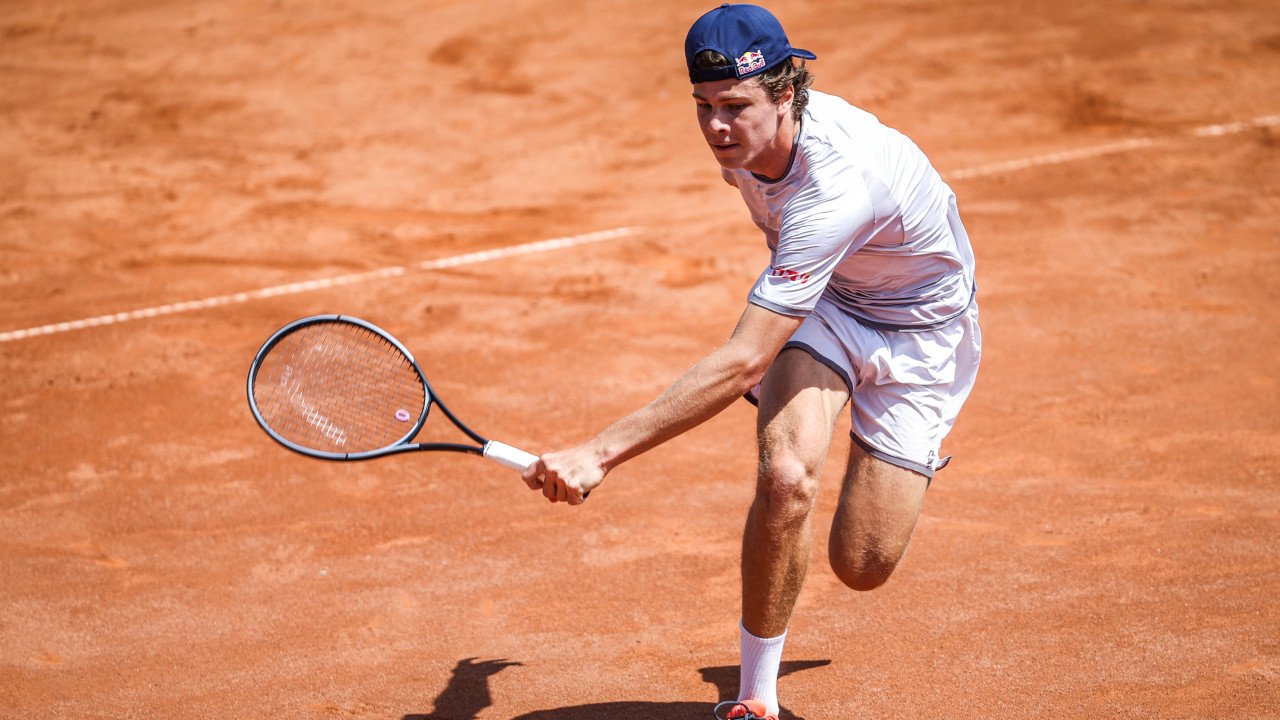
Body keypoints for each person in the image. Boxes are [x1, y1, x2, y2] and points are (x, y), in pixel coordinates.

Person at [521, 4, 981, 718]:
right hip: (829, 305)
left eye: (734, 106)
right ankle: (754, 699)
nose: (715, 128)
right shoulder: (748, 150)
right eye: (702, 107)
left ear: (787, 94)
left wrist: (599, 453)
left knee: (862, 566)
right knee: (786, 476)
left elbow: (740, 361)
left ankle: (863, 419)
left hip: (922, 335)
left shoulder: (836, 184)